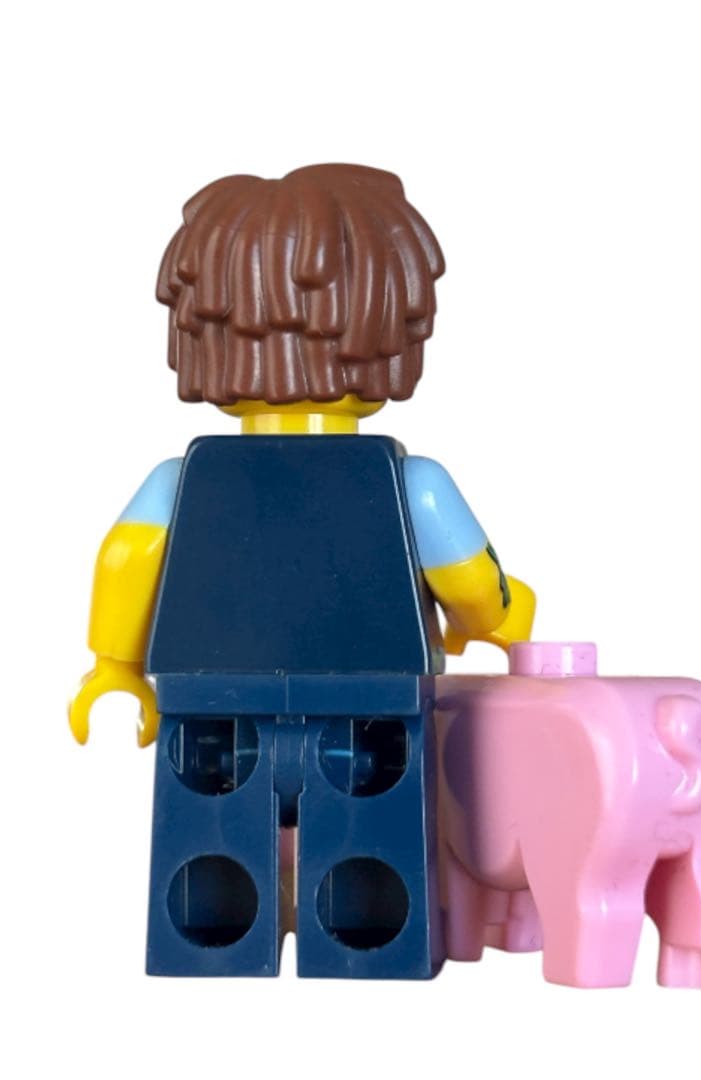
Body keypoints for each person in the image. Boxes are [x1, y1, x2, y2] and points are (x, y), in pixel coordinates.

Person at [69, 165, 535, 978]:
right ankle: (366, 947)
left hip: (209, 696)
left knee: (208, 832)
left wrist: (114, 665)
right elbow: (470, 583)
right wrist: (498, 616)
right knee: (372, 833)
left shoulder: (182, 481)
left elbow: (125, 556)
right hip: (374, 699)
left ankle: (211, 945)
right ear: (393, 329)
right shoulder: (411, 483)